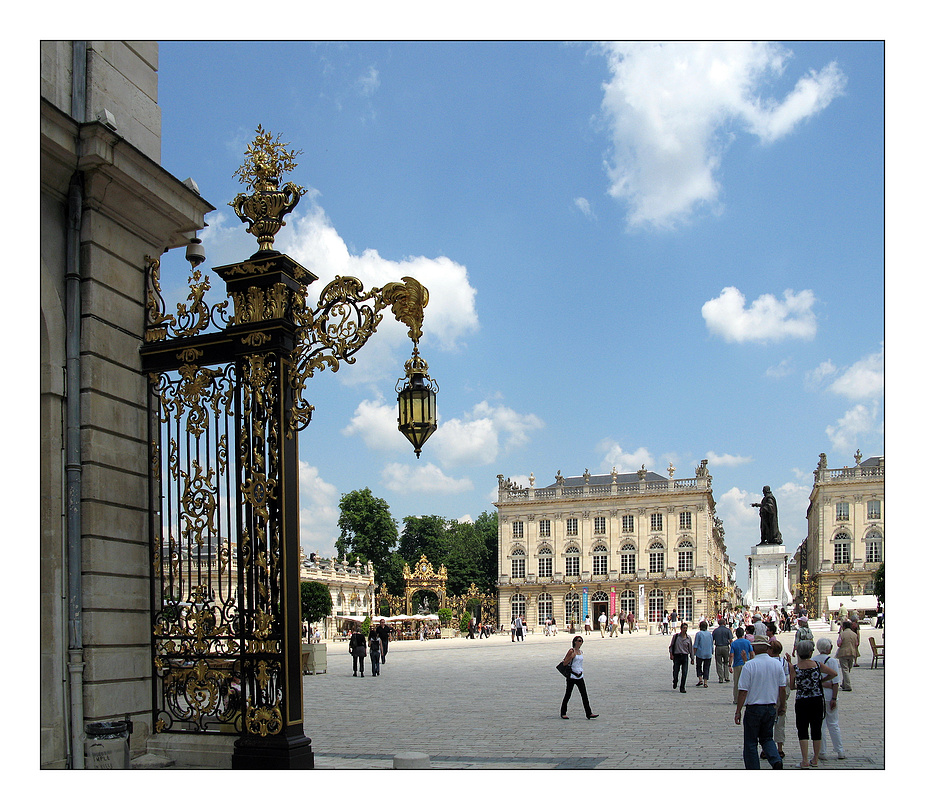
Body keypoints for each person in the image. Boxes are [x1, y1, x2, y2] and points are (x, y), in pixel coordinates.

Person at [734, 634, 786, 769]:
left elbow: (743, 691)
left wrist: (738, 710)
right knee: (767, 738)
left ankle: (753, 768)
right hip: (770, 707)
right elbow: (782, 688)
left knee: (751, 742)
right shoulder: (776, 664)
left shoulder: (750, 665)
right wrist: (782, 706)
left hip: (754, 708)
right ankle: (775, 760)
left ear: (754, 649)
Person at [791, 638, 837, 767]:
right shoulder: (817, 665)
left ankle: (804, 760)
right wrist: (820, 682)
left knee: (803, 729)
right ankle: (815, 759)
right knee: (816, 728)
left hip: (802, 701)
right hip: (816, 699)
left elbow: (792, 686)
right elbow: (833, 673)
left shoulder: (795, 668)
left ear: (799, 653)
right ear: (811, 652)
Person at [813, 637, 845, 760]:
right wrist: (834, 698)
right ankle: (840, 750)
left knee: (820, 725)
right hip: (829, 695)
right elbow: (836, 682)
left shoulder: (813, 660)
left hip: (817, 696)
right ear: (829, 648)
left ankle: (822, 752)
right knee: (833, 723)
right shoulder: (832, 661)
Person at [558, 636, 599, 720]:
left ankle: (589, 713)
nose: (581, 643)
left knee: (584, 695)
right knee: (568, 694)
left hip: (580, 675)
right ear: (575, 642)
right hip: (572, 676)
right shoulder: (571, 651)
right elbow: (565, 663)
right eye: (579, 641)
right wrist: (571, 657)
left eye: (582, 641)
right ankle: (563, 712)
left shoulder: (580, 652)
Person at [768, 638, 791, 762]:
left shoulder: (767, 662)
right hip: (781, 695)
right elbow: (787, 681)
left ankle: (767, 747)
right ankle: (779, 748)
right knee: (780, 722)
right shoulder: (784, 662)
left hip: (769, 695)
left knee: (767, 723)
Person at [669, 622, 695, 693]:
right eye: (684, 628)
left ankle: (682, 687)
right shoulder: (676, 636)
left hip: (684, 656)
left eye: (686, 628)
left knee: (684, 672)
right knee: (676, 671)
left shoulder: (688, 638)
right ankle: (675, 681)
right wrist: (671, 654)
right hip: (677, 656)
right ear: (681, 629)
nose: (685, 629)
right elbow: (671, 646)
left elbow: (690, 649)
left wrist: (692, 658)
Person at [731, 626, 754, 704]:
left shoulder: (734, 643)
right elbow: (751, 653)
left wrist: (729, 664)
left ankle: (736, 699)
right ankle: (746, 698)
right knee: (747, 682)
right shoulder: (747, 642)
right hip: (746, 663)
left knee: (737, 682)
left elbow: (731, 655)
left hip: (737, 664)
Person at [835, 620, 859, 691]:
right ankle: (844, 683)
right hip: (852, 652)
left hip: (843, 652)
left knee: (845, 669)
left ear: (844, 627)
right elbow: (856, 644)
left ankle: (848, 685)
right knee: (848, 669)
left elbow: (839, 643)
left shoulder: (842, 634)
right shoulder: (854, 634)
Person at [712, 617, 734, 683]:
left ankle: (720, 678)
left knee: (718, 663)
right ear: (724, 623)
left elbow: (712, 639)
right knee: (726, 662)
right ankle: (726, 677)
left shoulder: (715, 631)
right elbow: (730, 640)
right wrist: (732, 648)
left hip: (718, 647)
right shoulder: (728, 630)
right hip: (725, 647)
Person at [693, 620, 714, 687]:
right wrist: (712, 651)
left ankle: (700, 679)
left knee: (698, 666)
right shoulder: (709, 634)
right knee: (706, 667)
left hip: (700, 653)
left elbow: (696, 644)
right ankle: (705, 682)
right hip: (708, 653)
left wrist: (693, 653)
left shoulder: (699, 634)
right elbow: (711, 643)